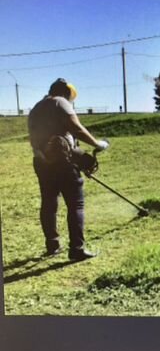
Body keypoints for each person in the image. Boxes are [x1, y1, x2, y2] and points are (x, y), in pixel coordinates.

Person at [28, 78, 109, 261]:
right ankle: (77, 249)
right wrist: (97, 144)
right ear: (65, 93)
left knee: (49, 203)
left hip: (41, 162)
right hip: (63, 163)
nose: (71, 101)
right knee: (76, 204)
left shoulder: (36, 108)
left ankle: (53, 244)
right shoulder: (60, 102)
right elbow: (76, 129)